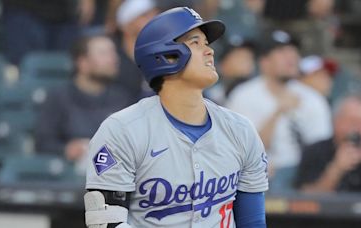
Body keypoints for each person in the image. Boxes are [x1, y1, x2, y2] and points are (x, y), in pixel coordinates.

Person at [84, 7, 268, 228]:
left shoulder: (240, 130)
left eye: (207, 44)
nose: (209, 51)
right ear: (166, 56)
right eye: (195, 43)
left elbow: (253, 222)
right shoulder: (122, 130)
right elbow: (105, 225)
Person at [226, 30, 332, 192]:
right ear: (264, 62)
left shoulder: (312, 99)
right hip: (260, 177)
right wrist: (278, 112)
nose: (291, 57)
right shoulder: (243, 96)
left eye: (293, 51)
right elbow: (238, 152)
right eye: (282, 52)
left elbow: (321, 150)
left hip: (302, 176)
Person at [35, 35, 133, 167]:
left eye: (113, 53)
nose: (114, 59)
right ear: (83, 63)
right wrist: (66, 149)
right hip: (67, 174)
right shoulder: (59, 96)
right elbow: (43, 142)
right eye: (104, 53)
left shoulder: (122, 98)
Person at [295, 96, 361, 192]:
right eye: (352, 122)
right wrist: (336, 169)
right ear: (336, 121)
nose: (357, 129)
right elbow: (306, 200)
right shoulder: (315, 151)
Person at [114, 0, 159, 100]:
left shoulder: (164, 54)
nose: (153, 19)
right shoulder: (113, 58)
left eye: (155, 14)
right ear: (126, 25)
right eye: (145, 15)